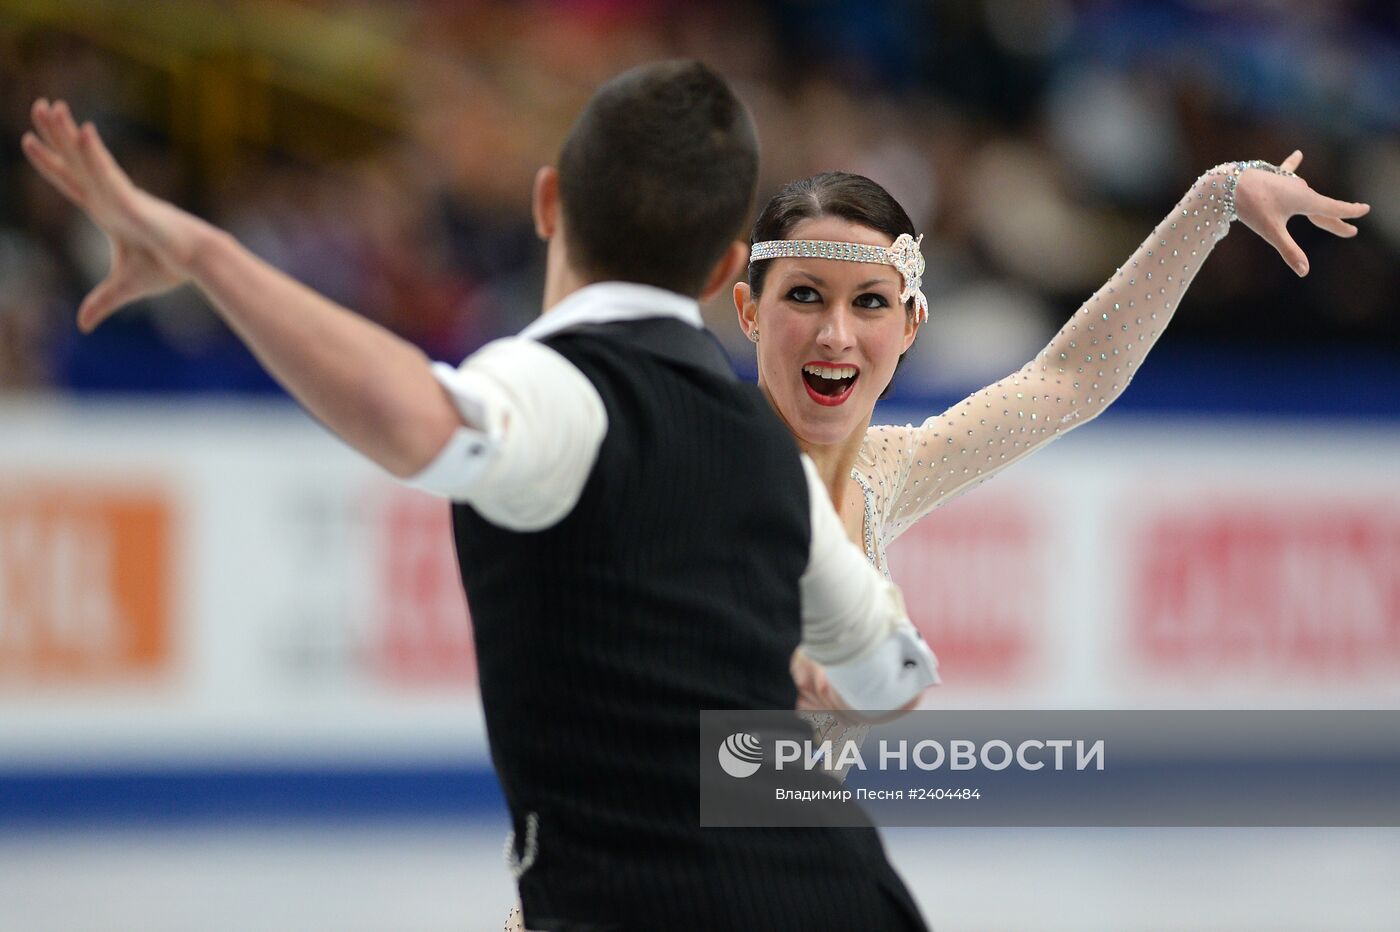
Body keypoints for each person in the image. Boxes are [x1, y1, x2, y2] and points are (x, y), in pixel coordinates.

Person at [22, 62, 940, 932]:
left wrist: (207, 255)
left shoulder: (561, 390)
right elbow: (890, 674)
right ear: (721, 273)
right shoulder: (765, 453)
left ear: (548, 204)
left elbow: (415, 416)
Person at [734, 161, 1369, 730]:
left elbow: (1072, 378)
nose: (836, 335)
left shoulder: (883, 468)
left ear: (910, 325)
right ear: (749, 311)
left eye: (870, 302)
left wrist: (1217, 198)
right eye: (804, 296)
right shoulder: (699, 465)